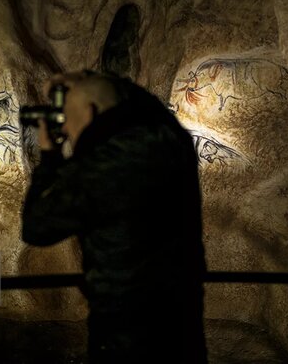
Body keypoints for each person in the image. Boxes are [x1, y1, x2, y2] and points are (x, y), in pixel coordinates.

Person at [21, 70, 207, 363]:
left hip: (126, 336)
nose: (68, 131)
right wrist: (91, 81)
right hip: (182, 324)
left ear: (91, 113)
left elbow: (36, 227)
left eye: (70, 121)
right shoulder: (170, 140)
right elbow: (147, 107)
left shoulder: (103, 165)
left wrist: (50, 158)